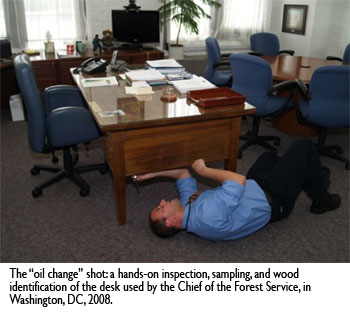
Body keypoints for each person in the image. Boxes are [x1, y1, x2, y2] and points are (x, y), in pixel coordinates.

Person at [135, 140, 341, 241]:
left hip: (255, 188)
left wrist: (151, 173)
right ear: (171, 222)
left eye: (158, 204)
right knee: (304, 146)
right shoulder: (206, 215)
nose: (162, 201)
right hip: (274, 199)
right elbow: (237, 180)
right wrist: (204, 170)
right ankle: (321, 198)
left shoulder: (189, 209)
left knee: (267, 157)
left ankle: (309, 174)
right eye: (160, 208)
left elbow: (182, 174)